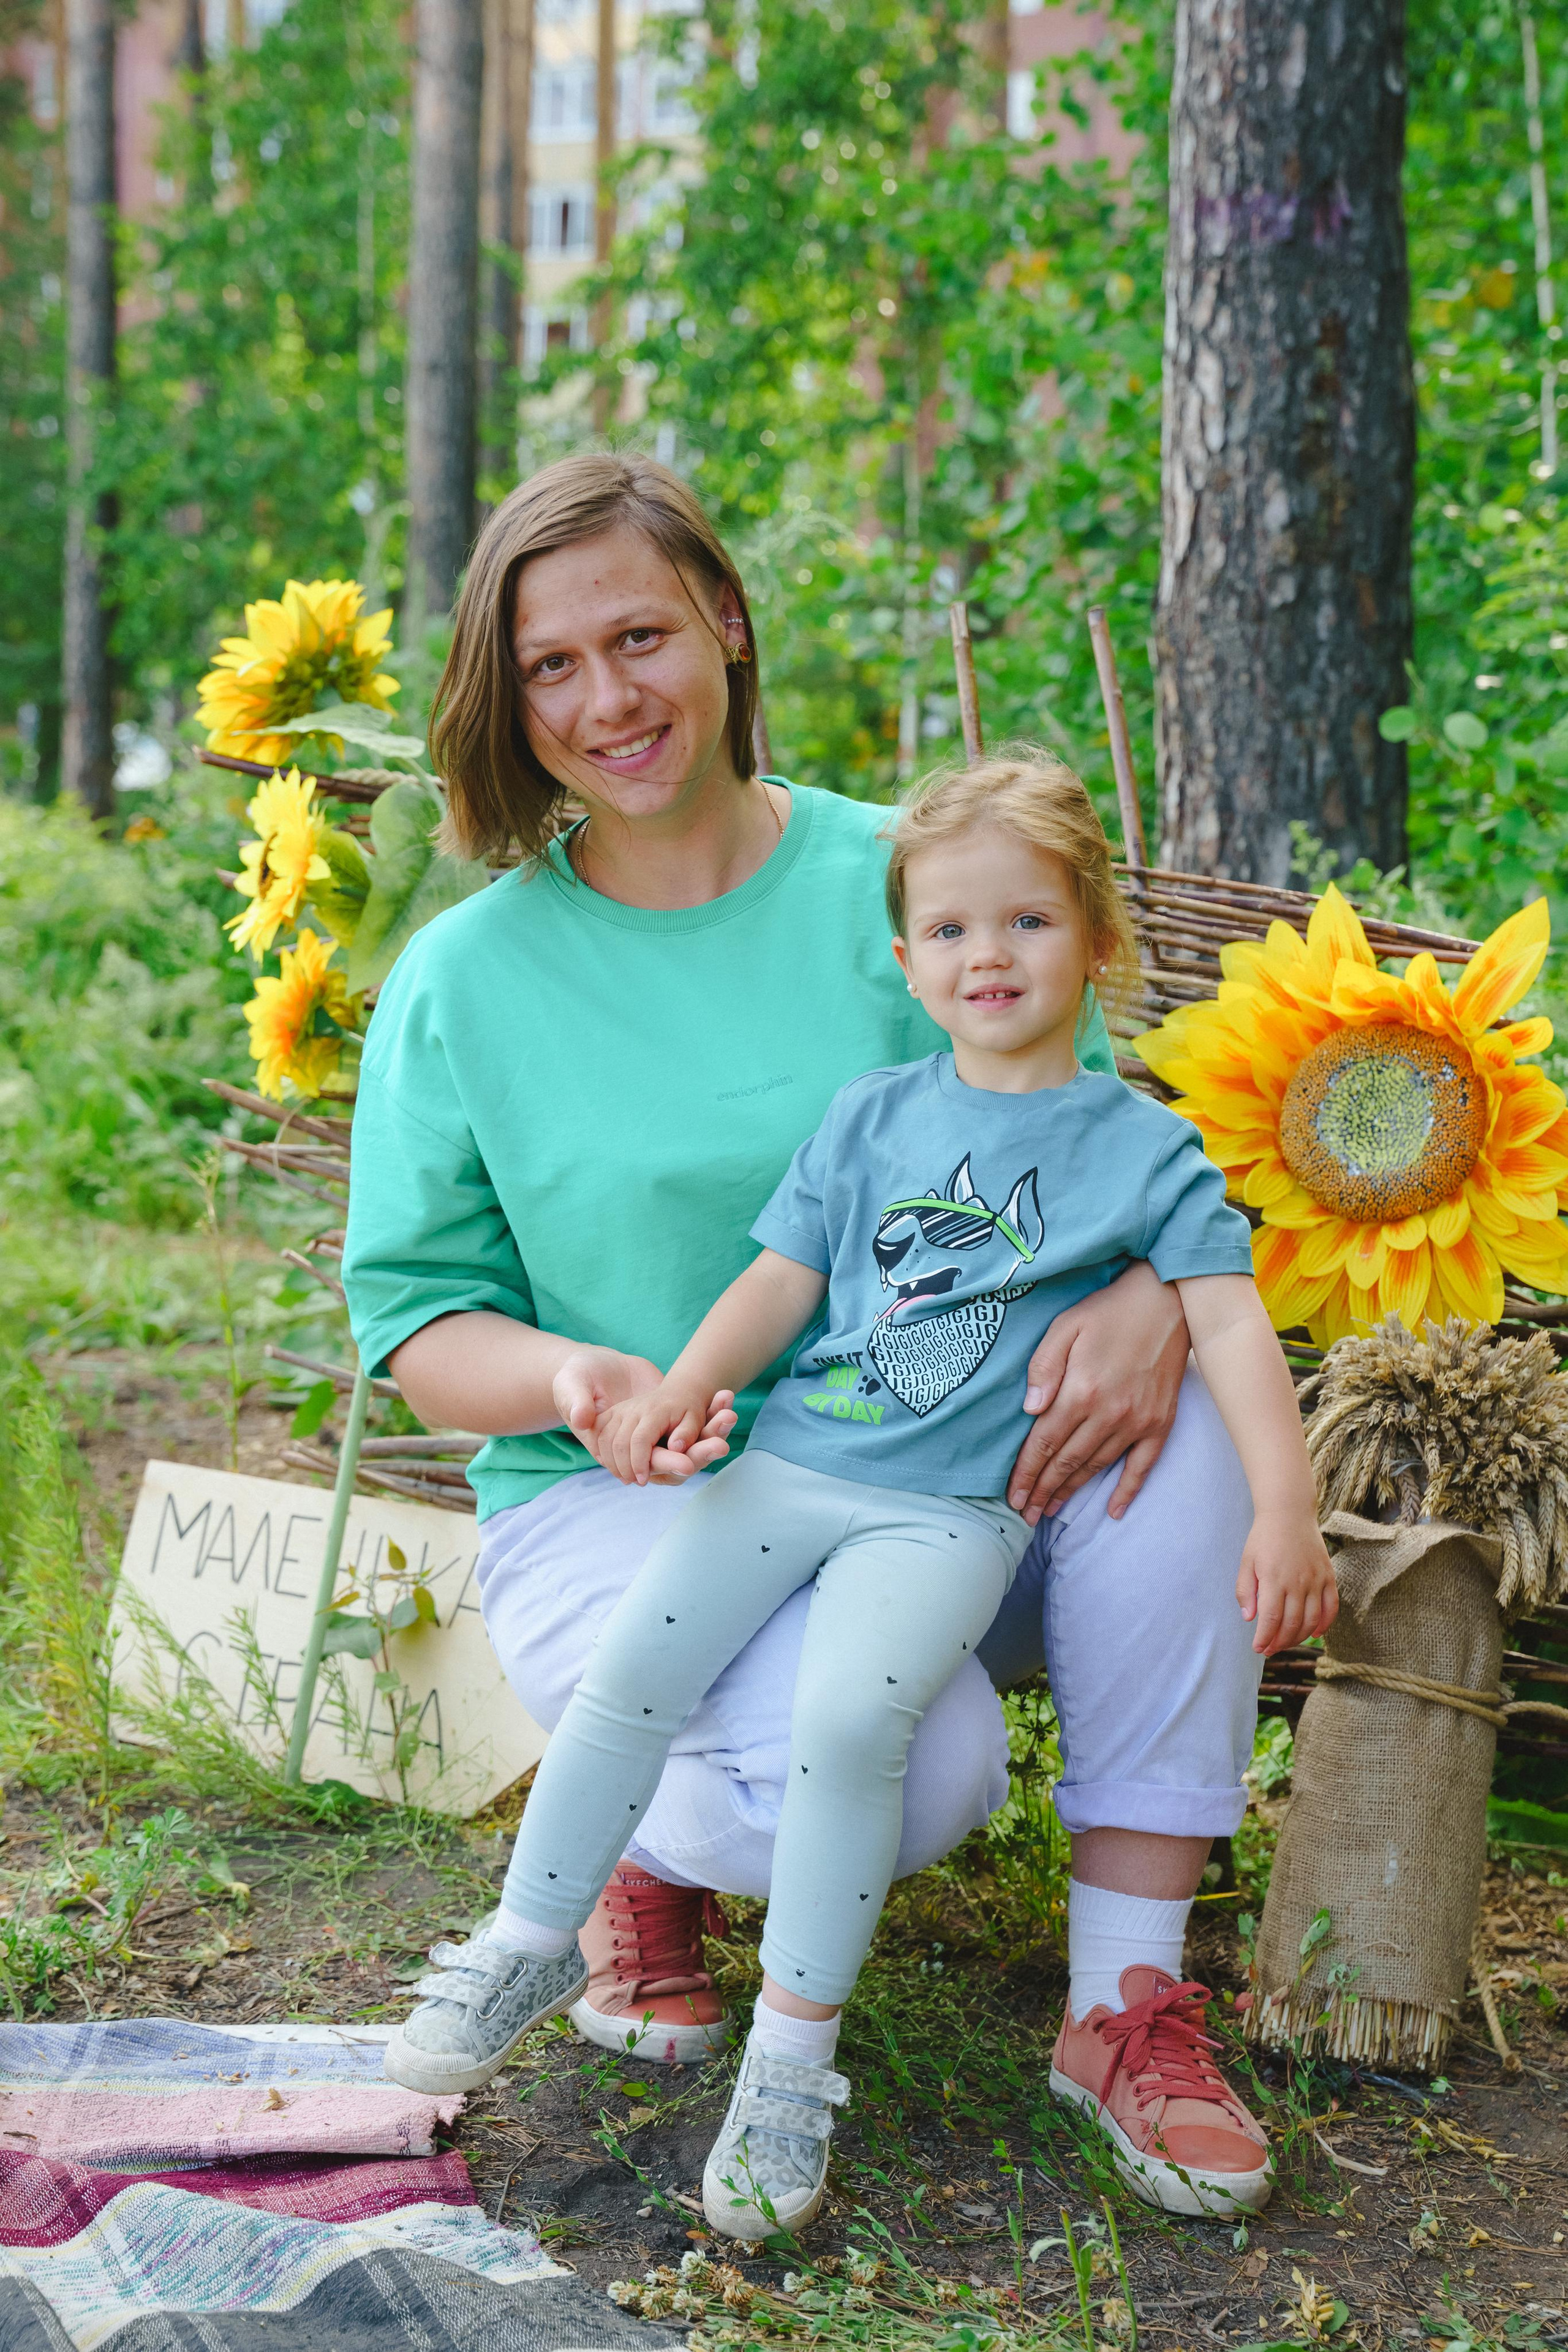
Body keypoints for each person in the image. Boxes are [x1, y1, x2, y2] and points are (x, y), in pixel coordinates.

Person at [341, 451, 1277, 2213]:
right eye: (553, 664)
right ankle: (635, 1851)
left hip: (946, 1472)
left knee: (1200, 1429)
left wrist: (1153, 1300)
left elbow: (1118, 1142)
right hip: (638, 1494)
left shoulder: (901, 875)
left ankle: (1125, 2001)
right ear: (505, 692)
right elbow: (419, 1323)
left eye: (641, 635)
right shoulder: (470, 979)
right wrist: (577, 1379)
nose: (608, 698)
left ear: (728, 624)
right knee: (919, 1768)